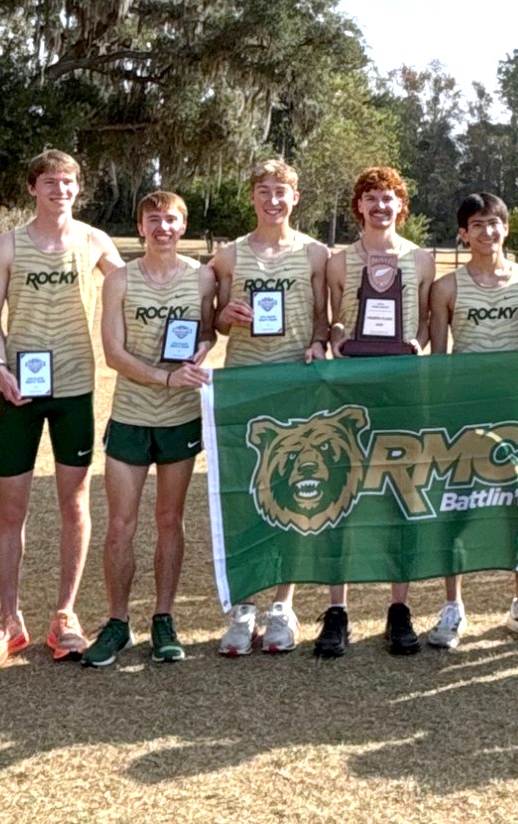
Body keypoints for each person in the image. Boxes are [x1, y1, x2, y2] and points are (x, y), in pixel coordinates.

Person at [0, 149, 124, 668]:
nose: (60, 190)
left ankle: (65, 616)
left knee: (73, 503)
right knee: (11, 507)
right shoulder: (9, 244)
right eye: (50, 182)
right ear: (32, 188)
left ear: (78, 189)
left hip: (76, 390)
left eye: (69, 182)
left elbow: (136, 285)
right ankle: (9, 620)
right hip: (20, 391)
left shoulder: (95, 241)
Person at [424, 193, 518, 649]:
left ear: (506, 229)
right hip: (464, 410)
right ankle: (452, 608)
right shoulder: (446, 288)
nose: (487, 233)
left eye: (495, 224)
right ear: (463, 233)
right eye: (477, 225)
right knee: (457, 508)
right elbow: (439, 357)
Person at [82, 192, 214, 667]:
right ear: (141, 227)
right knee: (121, 524)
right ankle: (117, 622)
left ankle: (163, 618)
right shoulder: (118, 280)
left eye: (171, 219)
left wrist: (200, 350)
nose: (163, 227)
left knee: (169, 522)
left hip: (180, 419)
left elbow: (208, 329)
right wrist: (164, 377)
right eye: (153, 219)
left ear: (184, 226)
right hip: (131, 417)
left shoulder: (202, 275)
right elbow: (113, 353)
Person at [209, 159, 329, 656]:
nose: (273, 200)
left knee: (295, 496)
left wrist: (319, 343)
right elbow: (213, 322)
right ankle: (243, 606)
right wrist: (226, 315)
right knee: (244, 496)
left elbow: (325, 321)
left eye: (281, 191)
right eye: (264, 191)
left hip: (297, 385)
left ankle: (284, 604)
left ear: (295, 198)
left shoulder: (317, 253)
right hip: (245, 386)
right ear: (252, 197)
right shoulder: (228, 255)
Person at [323, 165, 434, 657]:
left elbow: (429, 323)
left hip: (402, 388)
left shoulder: (423, 259)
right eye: (370, 198)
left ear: (401, 205)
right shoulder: (337, 261)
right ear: (359, 207)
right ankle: (337, 610)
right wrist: (338, 340)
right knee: (342, 494)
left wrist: (416, 342)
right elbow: (329, 324)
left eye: (388, 198)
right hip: (350, 389)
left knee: (399, 492)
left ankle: (399, 609)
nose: (380, 206)